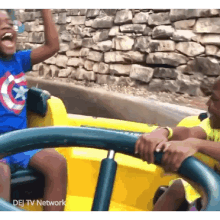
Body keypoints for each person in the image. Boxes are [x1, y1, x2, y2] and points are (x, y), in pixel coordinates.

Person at [0, 9, 67, 211]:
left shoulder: (20, 60)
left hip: (21, 142)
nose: (6, 25)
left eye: (9, 22)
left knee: (57, 163)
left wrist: (44, 8)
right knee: (1, 175)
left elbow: (52, 46)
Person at [135, 76, 220, 211]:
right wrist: (163, 132)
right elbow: (190, 132)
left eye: (215, 100)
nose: (208, 104)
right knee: (178, 187)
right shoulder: (215, 125)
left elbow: (194, 140)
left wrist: (196, 144)